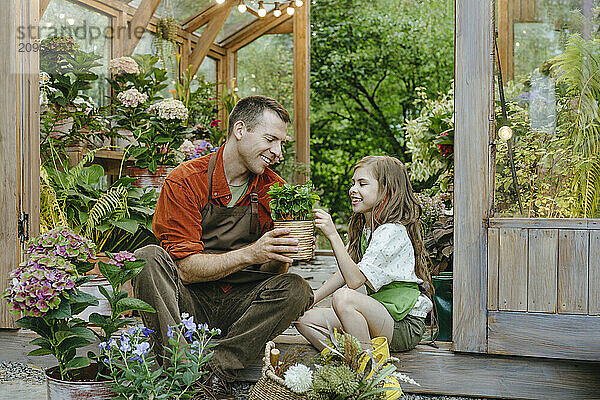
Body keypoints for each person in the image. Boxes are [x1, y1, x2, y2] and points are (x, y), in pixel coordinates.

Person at [133, 96, 314, 398]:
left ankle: (217, 373)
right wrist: (252, 252)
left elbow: (271, 274)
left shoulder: (273, 188)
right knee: (146, 258)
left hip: (242, 308)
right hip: (188, 304)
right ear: (240, 130)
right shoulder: (186, 181)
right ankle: (181, 370)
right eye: (270, 139)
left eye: (281, 143)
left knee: (296, 289)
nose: (277, 152)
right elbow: (186, 270)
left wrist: (281, 254)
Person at [296, 155, 433, 353]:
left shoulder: (391, 231)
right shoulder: (367, 230)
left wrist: (333, 235)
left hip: (402, 324)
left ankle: (367, 368)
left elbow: (354, 281)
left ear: (387, 190)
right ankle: (345, 364)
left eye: (362, 183)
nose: (353, 189)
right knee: (304, 320)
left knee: (344, 298)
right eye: (353, 183)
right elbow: (345, 272)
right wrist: (311, 300)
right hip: (381, 315)